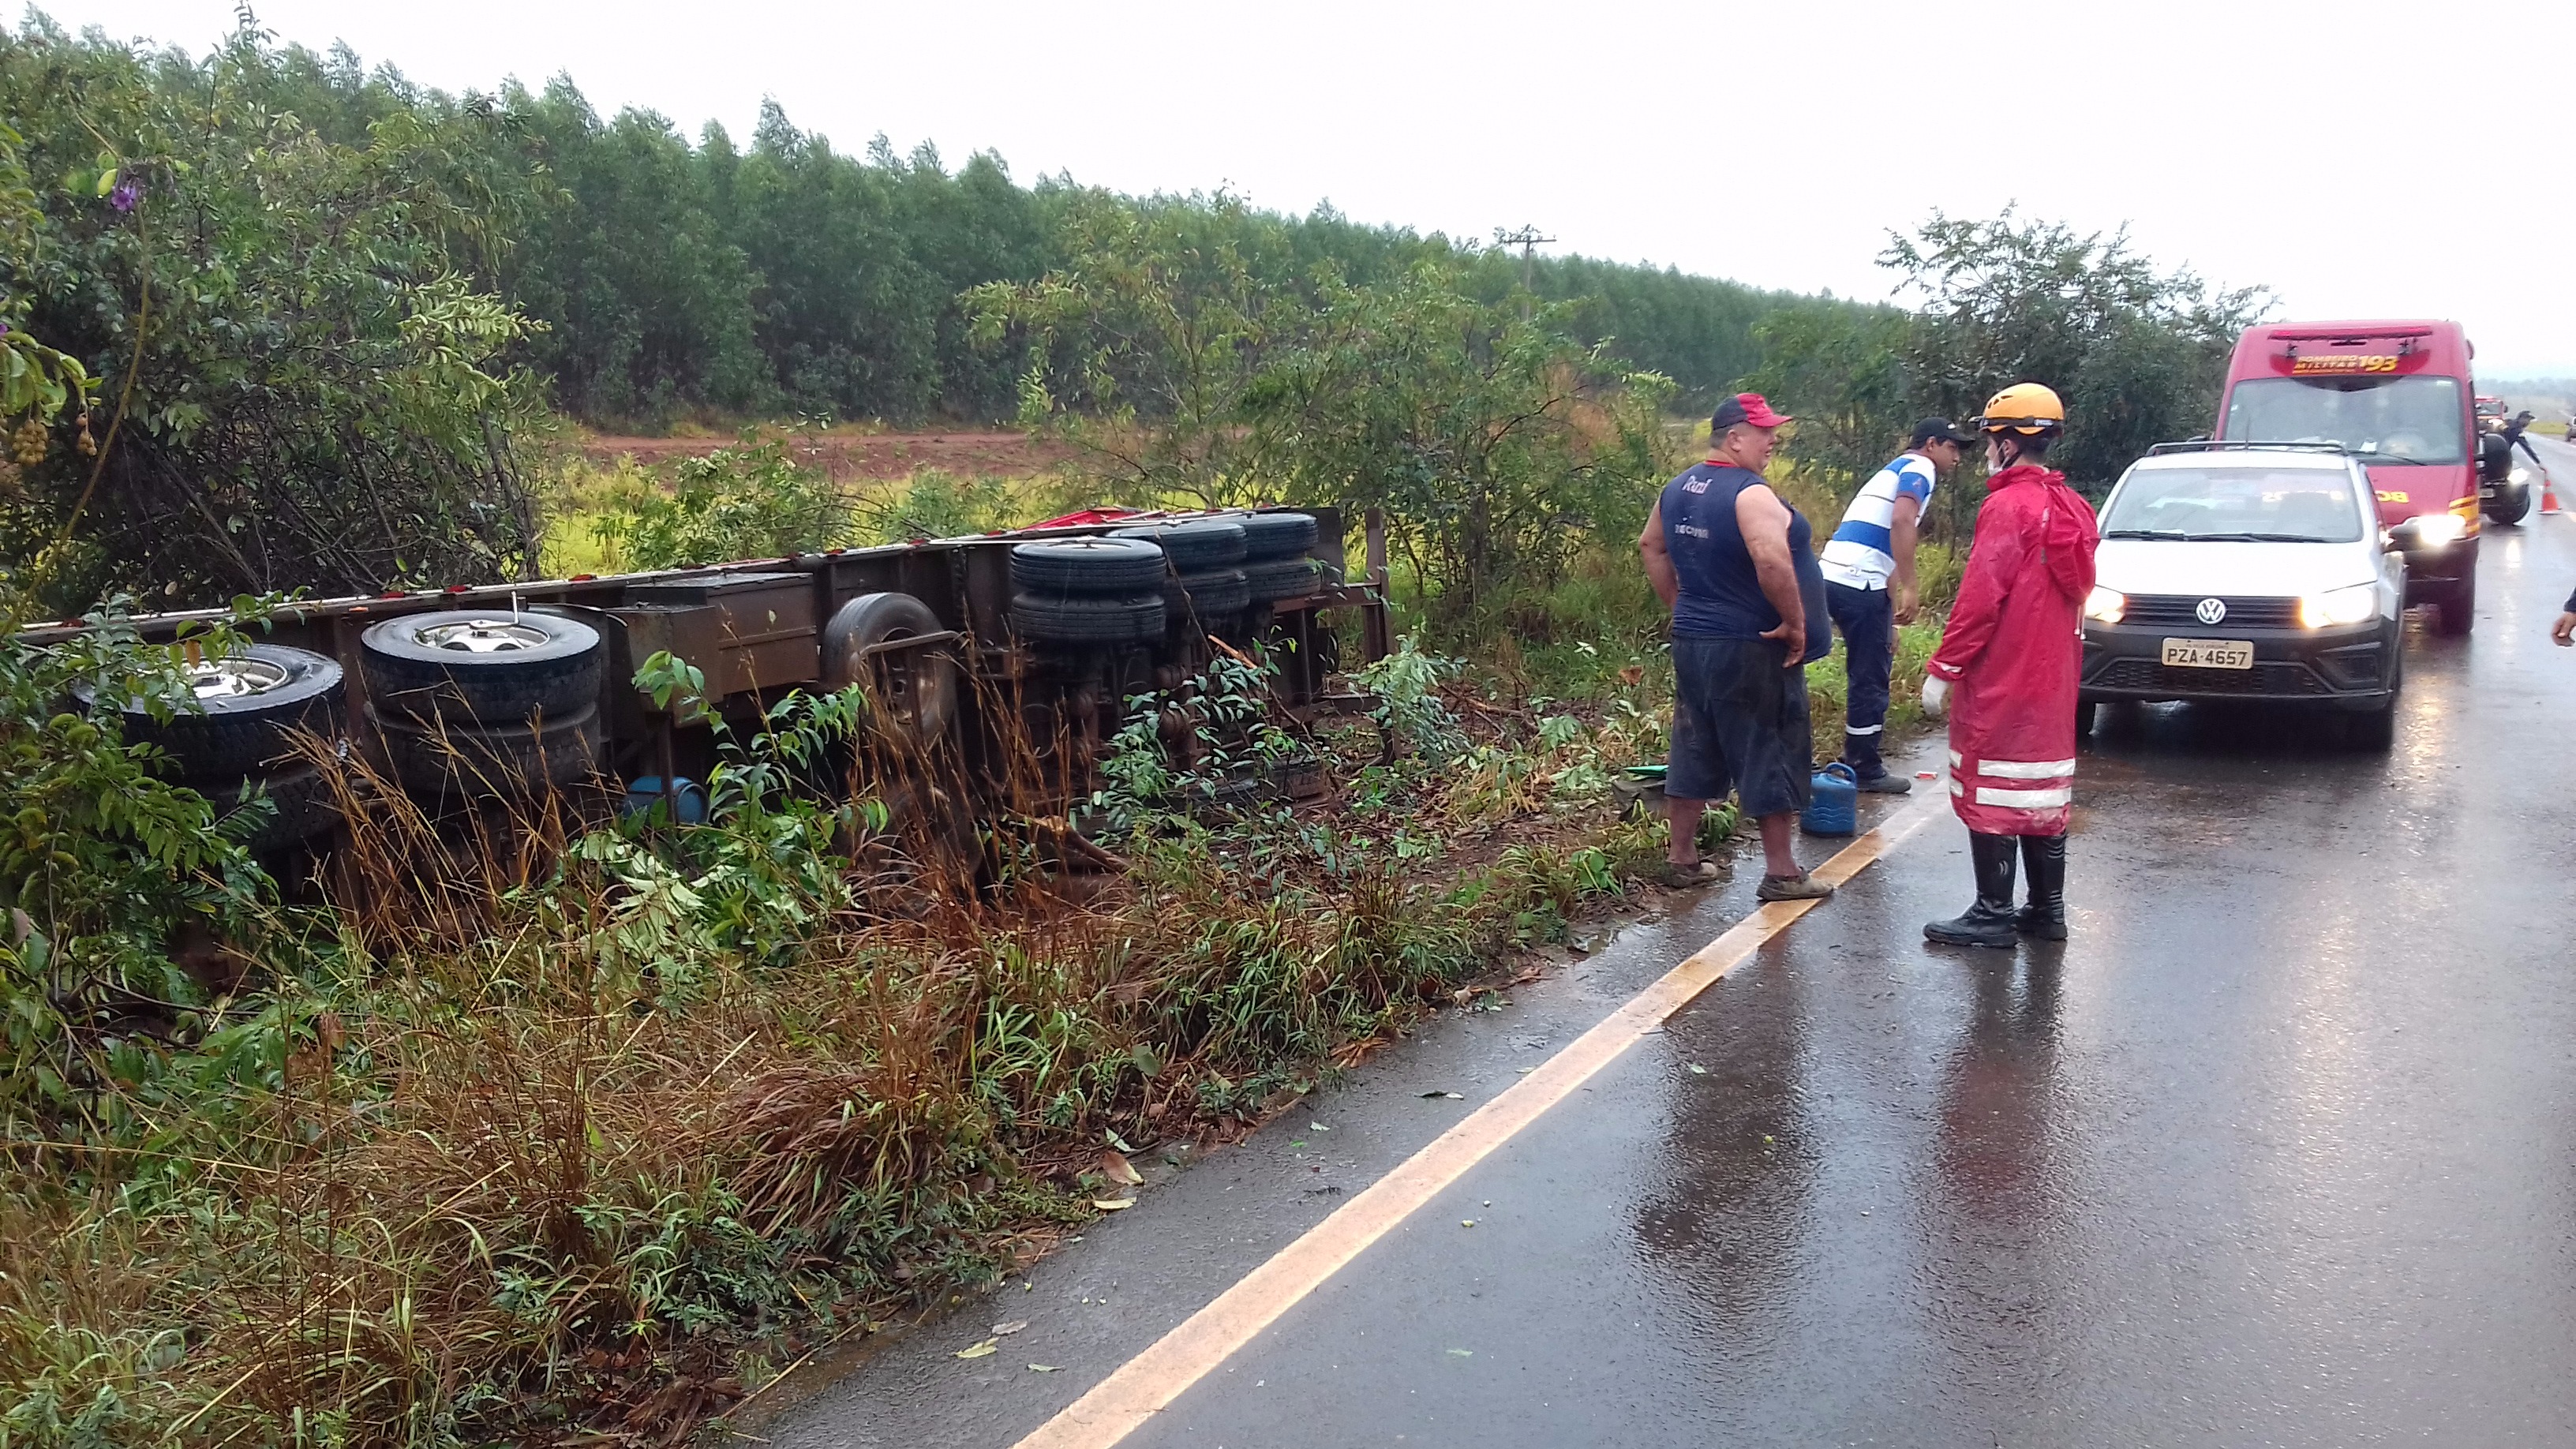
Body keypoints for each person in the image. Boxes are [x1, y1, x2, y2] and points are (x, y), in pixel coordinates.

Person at [1916, 383, 2099, 947]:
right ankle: (2046, 911)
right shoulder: (2075, 506)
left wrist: (1945, 668)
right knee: (2040, 793)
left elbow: (1980, 598)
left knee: (1992, 788)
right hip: (2055, 677)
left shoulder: (2008, 507)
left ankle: (1992, 913)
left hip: (2004, 674)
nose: (1988, 451)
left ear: (2009, 443)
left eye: (1992, 439)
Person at [1638, 392, 1835, 900]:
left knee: (1694, 740)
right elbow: (1770, 560)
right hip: (1751, 644)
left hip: (1695, 640)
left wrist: (1681, 605)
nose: (1773, 440)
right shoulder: (1750, 494)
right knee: (1768, 743)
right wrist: (1795, 623)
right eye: (1764, 431)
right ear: (1734, 438)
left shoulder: (1678, 488)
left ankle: (1682, 859)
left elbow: (1651, 546)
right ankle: (1783, 873)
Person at [1818, 418, 1977, 792]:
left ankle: (1851, 755)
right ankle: (1864, 765)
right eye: (1952, 448)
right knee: (1870, 676)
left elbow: (1885, 545)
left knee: (1868, 663)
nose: (1956, 457)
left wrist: (1889, 617)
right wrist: (1911, 587)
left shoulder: (1891, 471)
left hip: (1835, 575)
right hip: (1860, 580)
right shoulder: (1920, 468)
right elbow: (1902, 520)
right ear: (1931, 444)